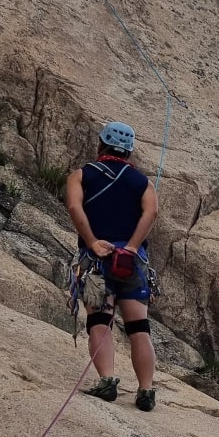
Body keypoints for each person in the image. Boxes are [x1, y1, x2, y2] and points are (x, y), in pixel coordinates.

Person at [65, 121, 159, 411]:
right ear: (129, 152)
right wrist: (131, 246)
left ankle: (107, 380)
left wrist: (92, 241)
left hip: (96, 261)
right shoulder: (142, 182)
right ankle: (145, 390)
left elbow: (74, 207)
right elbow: (151, 212)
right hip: (131, 262)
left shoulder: (81, 176)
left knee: (99, 321)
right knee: (139, 327)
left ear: (100, 145)